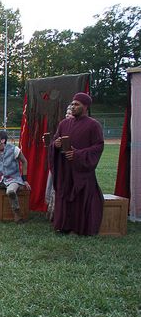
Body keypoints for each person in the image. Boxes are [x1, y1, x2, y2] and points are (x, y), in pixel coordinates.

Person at [50, 92, 104, 235]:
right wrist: (55, 144)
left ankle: (80, 227)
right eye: (72, 104)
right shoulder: (63, 124)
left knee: (81, 198)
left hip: (82, 170)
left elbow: (98, 147)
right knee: (64, 195)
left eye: (77, 104)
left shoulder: (93, 125)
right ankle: (64, 226)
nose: (73, 107)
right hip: (65, 169)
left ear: (85, 107)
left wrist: (77, 154)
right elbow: (55, 140)